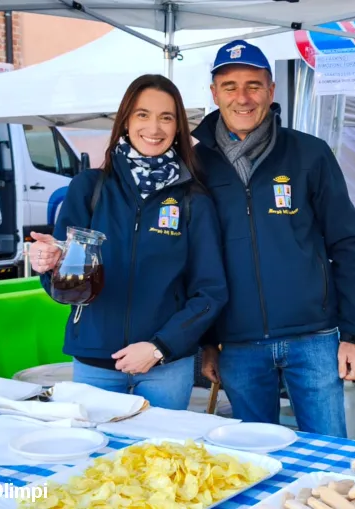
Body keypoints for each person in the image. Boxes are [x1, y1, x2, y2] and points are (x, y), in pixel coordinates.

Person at [194, 40, 355, 437]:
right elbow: (197, 261)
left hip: (314, 338)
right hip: (237, 344)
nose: (243, 97)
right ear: (214, 94)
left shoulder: (310, 154)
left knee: (328, 456)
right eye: (230, 86)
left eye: (254, 85)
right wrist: (208, 342)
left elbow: (347, 244)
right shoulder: (198, 165)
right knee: (256, 460)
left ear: (271, 91)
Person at [28, 74, 228, 411]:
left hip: (166, 367)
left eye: (167, 117)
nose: (155, 127)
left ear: (178, 126)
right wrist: (49, 263)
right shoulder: (88, 188)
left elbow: (211, 292)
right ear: (125, 121)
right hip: (95, 363)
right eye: (143, 114)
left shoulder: (193, 199)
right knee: (96, 460)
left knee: (160, 460)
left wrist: (158, 347)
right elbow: (62, 286)